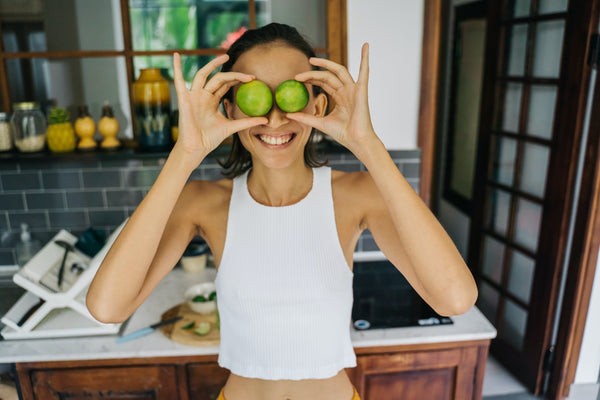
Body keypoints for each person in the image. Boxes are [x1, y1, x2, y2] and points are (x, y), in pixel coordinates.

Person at [86, 23, 478, 400]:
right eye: (254, 97)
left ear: (318, 103)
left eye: (289, 94)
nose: (275, 118)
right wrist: (185, 154)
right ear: (229, 108)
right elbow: (108, 307)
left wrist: (368, 144)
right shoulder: (201, 203)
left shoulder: (359, 195)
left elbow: (455, 299)